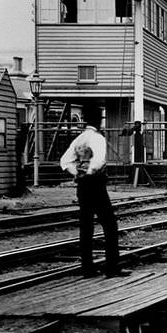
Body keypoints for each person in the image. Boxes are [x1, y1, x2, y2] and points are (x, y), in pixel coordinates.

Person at [60, 103, 128, 278]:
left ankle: (87, 269)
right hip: (96, 184)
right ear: (99, 120)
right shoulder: (97, 138)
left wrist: (77, 173)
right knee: (110, 225)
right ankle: (112, 267)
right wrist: (90, 172)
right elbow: (99, 161)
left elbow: (65, 161)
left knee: (86, 226)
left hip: (82, 186)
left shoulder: (80, 138)